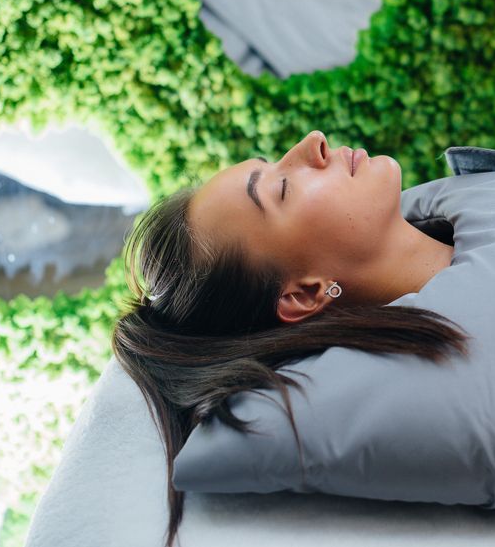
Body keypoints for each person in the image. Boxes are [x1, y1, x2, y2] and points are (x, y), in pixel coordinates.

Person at [112, 129, 471, 547]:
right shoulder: (449, 379)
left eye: (271, 163)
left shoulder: (481, 201)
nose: (312, 142)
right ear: (303, 294)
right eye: (282, 189)